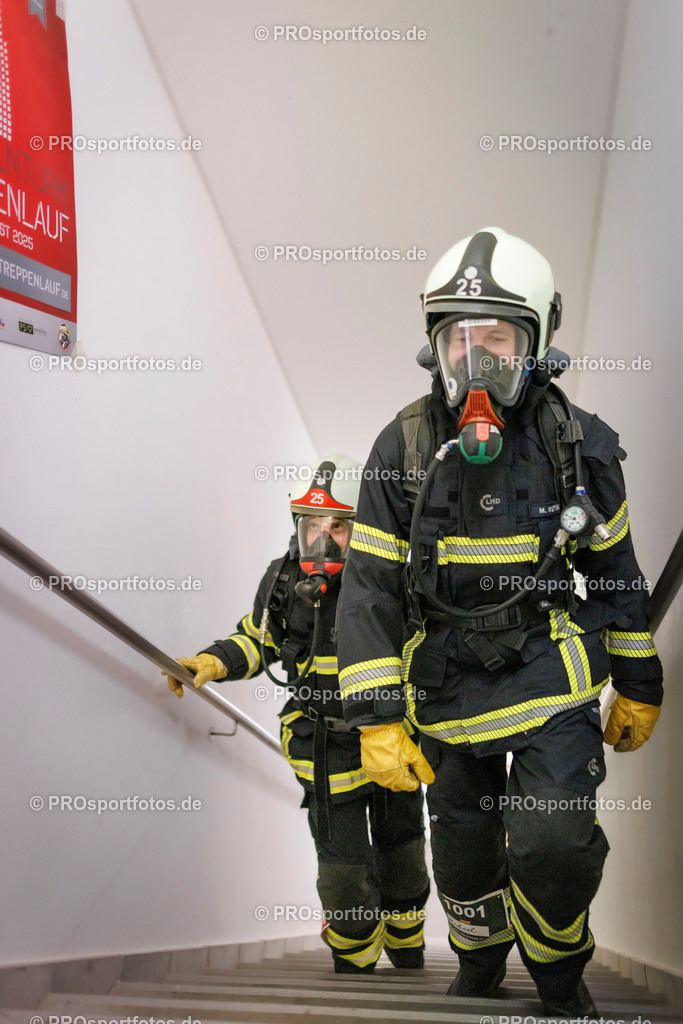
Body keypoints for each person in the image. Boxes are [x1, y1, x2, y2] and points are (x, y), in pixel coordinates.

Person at [335, 228, 663, 1017]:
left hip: (549, 673)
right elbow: (370, 586)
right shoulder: (403, 445)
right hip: (444, 682)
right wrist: (376, 718)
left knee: (553, 844)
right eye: (458, 339)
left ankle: (557, 979)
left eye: (497, 340)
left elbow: (614, 572)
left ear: (538, 343)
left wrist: (637, 681)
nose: (475, 363)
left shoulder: (577, 445)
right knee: (462, 851)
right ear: (434, 347)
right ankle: (479, 965)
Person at [165, 454, 430, 974]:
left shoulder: (397, 577)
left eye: (339, 526)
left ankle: (408, 944)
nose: (324, 538)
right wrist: (213, 660)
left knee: (403, 849)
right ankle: (354, 958)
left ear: (365, 526)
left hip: (392, 737)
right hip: (325, 747)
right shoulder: (283, 580)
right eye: (314, 524)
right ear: (298, 525)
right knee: (342, 866)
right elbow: (258, 638)